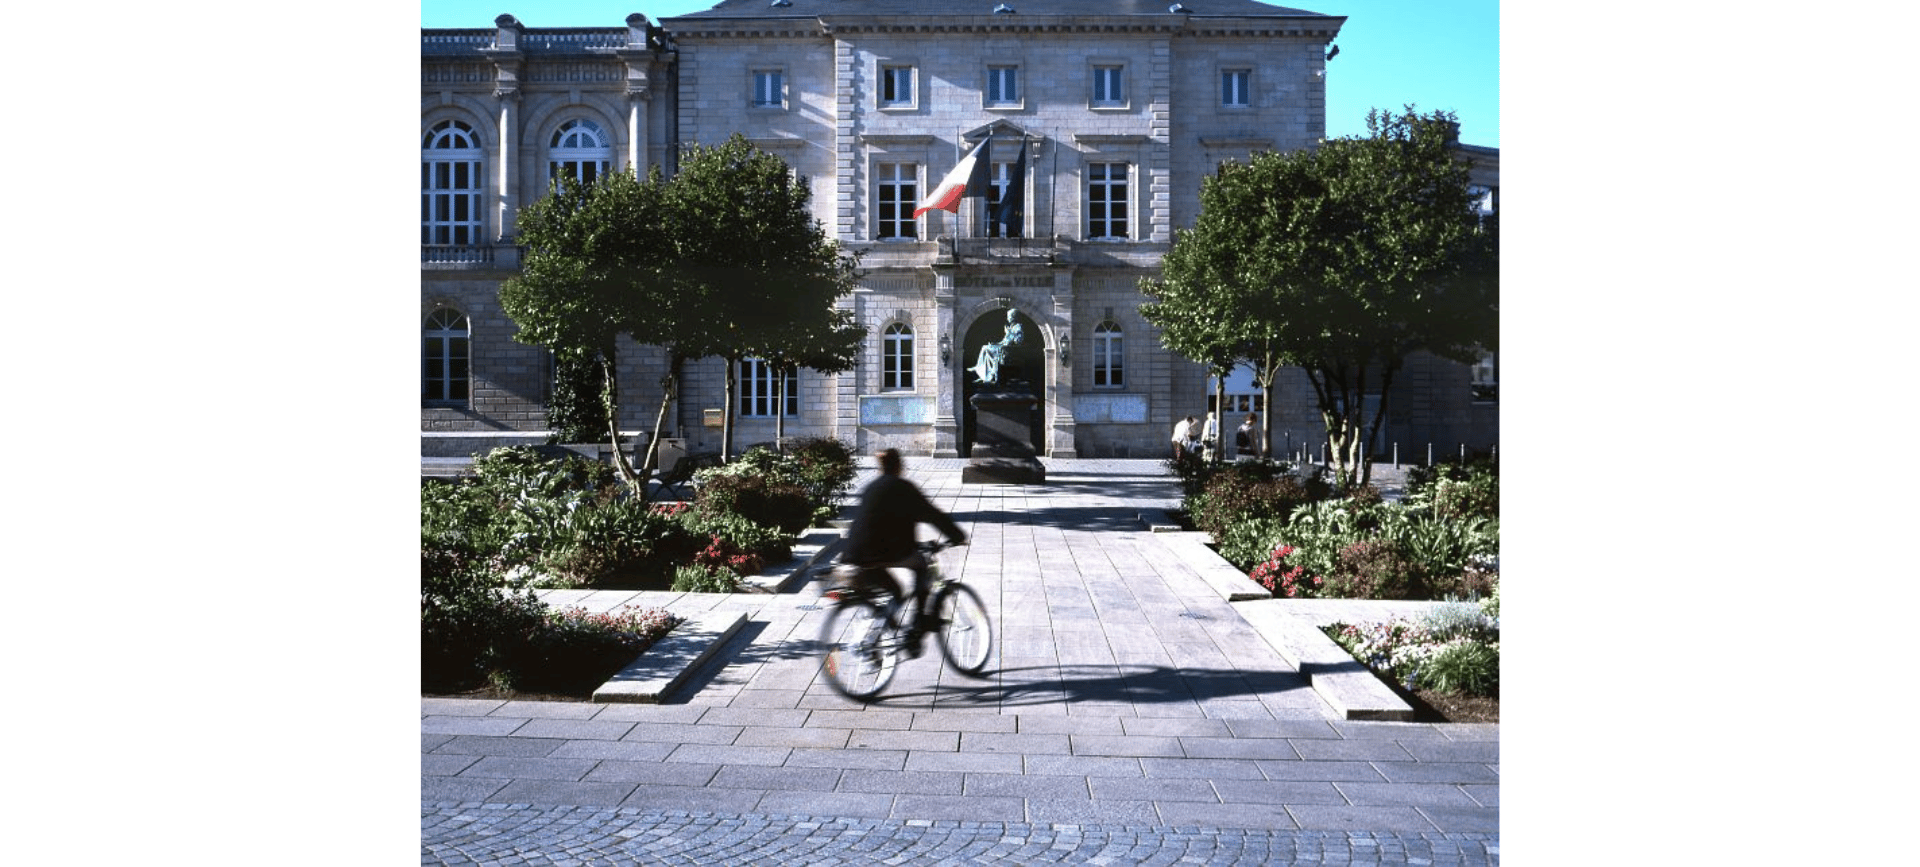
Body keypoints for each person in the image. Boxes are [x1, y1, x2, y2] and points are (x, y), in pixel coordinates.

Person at [842, 448, 968, 656]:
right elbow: (932, 514)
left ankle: (878, 633)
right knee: (922, 566)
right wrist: (957, 535)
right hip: (882, 552)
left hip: (854, 554)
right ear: (899, 466)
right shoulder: (903, 487)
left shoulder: (870, 487)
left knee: (894, 592)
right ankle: (918, 623)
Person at [967, 309, 1026, 385]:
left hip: (1008, 351)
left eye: (1009, 316)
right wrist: (995, 344)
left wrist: (1009, 333)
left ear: (1013, 317)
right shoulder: (1011, 327)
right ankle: (984, 374)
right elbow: (1003, 342)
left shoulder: (1018, 327)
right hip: (1002, 348)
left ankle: (981, 370)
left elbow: (1018, 341)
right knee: (986, 347)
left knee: (985, 348)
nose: (1007, 318)